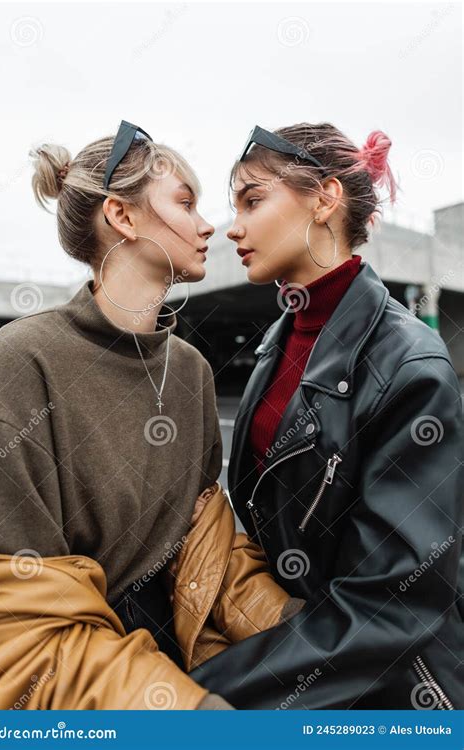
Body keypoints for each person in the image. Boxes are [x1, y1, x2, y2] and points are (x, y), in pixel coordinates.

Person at [0, 121, 304, 710]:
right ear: (123, 217)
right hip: (86, 688)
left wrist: (303, 628)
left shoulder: (190, 369)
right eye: (185, 203)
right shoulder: (16, 362)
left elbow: (203, 545)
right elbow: (16, 627)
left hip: (181, 654)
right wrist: (191, 714)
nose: (209, 224)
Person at [190, 122, 464, 709]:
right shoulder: (275, 344)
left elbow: (393, 607)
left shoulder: (410, 365)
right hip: (296, 647)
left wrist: (204, 695)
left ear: (325, 198)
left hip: (394, 691)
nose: (232, 226)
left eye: (253, 200)